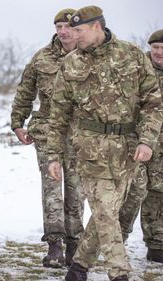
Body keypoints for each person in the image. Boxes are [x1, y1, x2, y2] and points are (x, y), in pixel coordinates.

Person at [46, 6, 163, 281]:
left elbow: (153, 104)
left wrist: (147, 140)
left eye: (79, 30)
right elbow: (58, 114)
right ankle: (119, 273)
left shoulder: (131, 55)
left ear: (97, 27)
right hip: (90, 149)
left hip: (128, 150)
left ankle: (78, 268)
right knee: (105, 211)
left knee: (107, 212)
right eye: (71, 31)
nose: (74, 36)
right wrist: (53, 154)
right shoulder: (71, 63)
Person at [11, 8, 84, 268]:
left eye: (67, 27)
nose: (62, 31)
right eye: (58, 27)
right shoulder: (42, 57)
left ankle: (75, 244)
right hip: (47, 130)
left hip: (80, 135)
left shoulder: (89, 56)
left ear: (78, 29)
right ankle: (55, 246)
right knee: (52, 189)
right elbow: (25, 91)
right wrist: (17, 123)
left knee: (77, 189)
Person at [119, 29, 163, 263]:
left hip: (161, 147)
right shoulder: (137, 69)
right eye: (155, 47)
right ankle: (117, 241)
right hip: (136, 142)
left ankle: (156, 245)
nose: (159, 52)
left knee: (158, 193)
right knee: (133, 193)